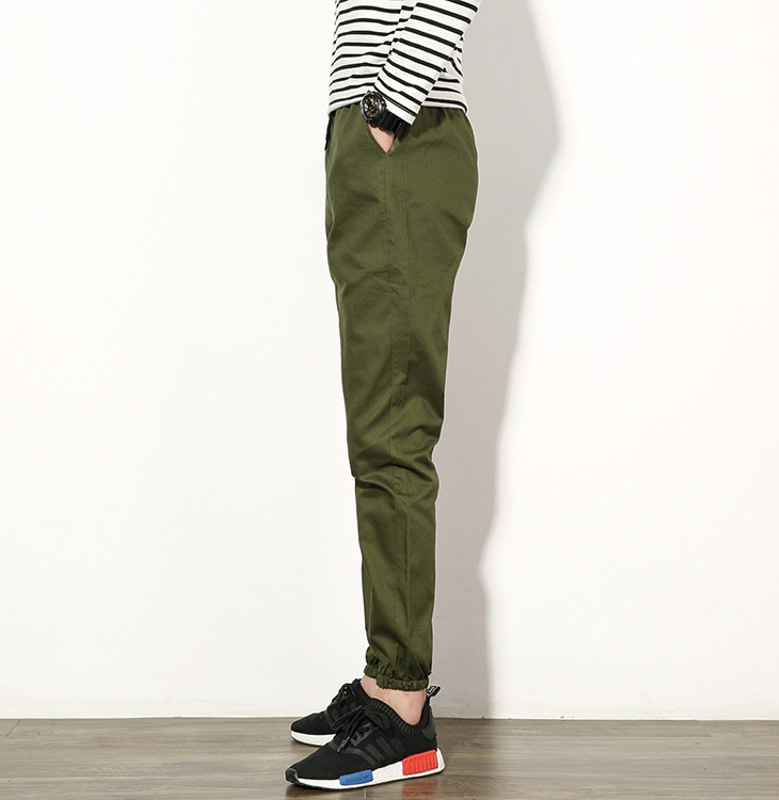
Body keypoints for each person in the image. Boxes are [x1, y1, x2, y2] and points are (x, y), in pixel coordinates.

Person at [286, 0, 481, 790]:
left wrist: (387, 111)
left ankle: (402, 709)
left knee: (392, 429)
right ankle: (383, 682)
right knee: (378, 425)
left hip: (404, 135)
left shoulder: (396, 123)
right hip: (376, 145)